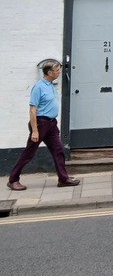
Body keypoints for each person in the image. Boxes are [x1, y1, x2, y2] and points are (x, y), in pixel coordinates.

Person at [7, 60, 80, 191]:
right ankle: (13, 180)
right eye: (57, 70)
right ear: (49, 72)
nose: (59, 72)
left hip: (51, 124)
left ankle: (63, 179)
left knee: (58, 150)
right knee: (29, 153)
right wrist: (35, 131)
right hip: (40, 124)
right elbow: (32, 110)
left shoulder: (50, 85)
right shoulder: (38, 87)